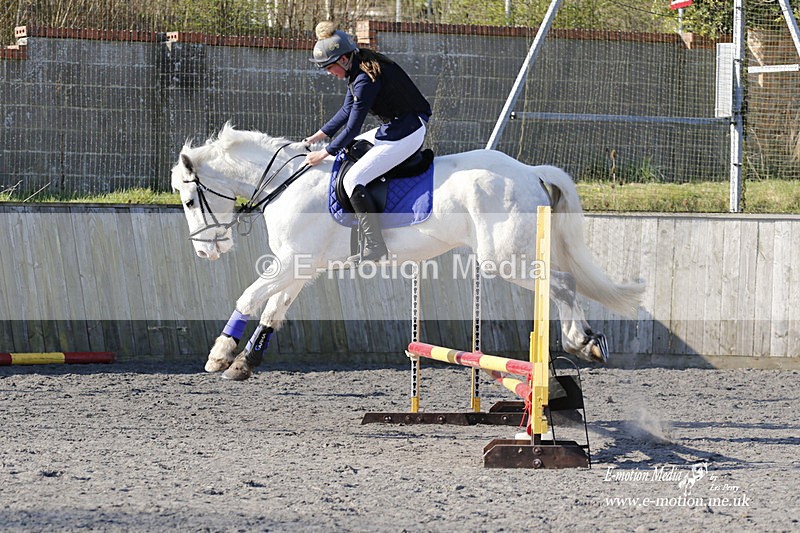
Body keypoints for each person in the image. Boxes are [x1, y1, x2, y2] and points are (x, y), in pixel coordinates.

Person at [303, 21, 432, 263]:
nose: (329, 73)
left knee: (353, 179)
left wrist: (324, 153)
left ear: (343, 59)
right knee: (348, 150)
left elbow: (353, 127)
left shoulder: (364, 78)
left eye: (329, 67)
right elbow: (346, 110)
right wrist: (316, 137)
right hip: (396, 126)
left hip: (409, 130)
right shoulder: (357, 68)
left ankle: (375, 246)